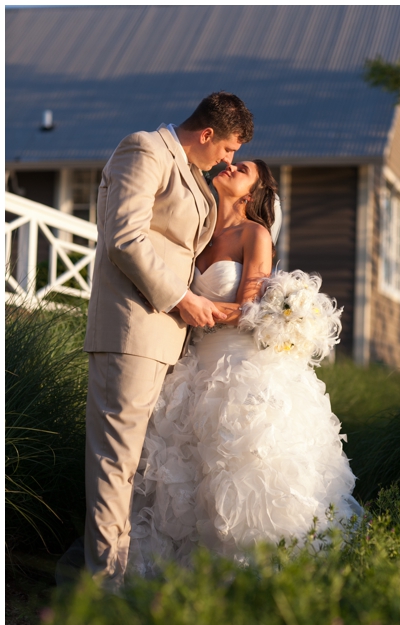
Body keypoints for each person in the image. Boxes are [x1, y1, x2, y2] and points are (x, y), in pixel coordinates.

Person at [127, 159, 361, 576]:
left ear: (253, 192)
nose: (231, 165)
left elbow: (253, 309)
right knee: (185, 475)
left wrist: (199, 307)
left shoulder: (255, 234)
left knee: (241, 467)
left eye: (245, 168)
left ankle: (252, 577)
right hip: (194, 366)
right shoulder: (197, 234)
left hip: (239, 367)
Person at [83, 92, 253, 589]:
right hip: (131, 329)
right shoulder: (144, 151)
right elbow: (125, 238)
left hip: (165, 340)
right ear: (206, 135)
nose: (228, 160)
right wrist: (182, 299)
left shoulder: (193, 176)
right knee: (116, 462)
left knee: (136, 464)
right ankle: (103, 592)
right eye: (226, 150)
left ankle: (124, 578)